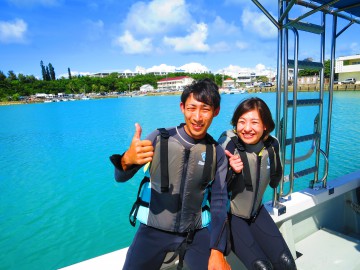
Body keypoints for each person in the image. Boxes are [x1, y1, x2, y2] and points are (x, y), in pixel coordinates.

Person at [110, 78, 230, 270]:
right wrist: (126, 160)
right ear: (182, 107)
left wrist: (217, 250)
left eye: (205, 109)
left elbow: (219, 203)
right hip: (152, 231)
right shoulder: (159, 139)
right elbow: (120, 178)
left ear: (216, 111)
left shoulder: (217, 153)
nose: (197, 117)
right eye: (192, 108)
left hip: (195, 232)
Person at [218, 97, 297, 270]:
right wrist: (230, 171)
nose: (247, 128)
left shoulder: (272, 145)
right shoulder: (229, 146)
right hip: (231, 217)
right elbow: (211, 189)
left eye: (254, 122)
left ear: (265, 125)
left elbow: (275, 181)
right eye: (242, 122)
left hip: (257, 213)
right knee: (262, 267)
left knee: (286, 263)